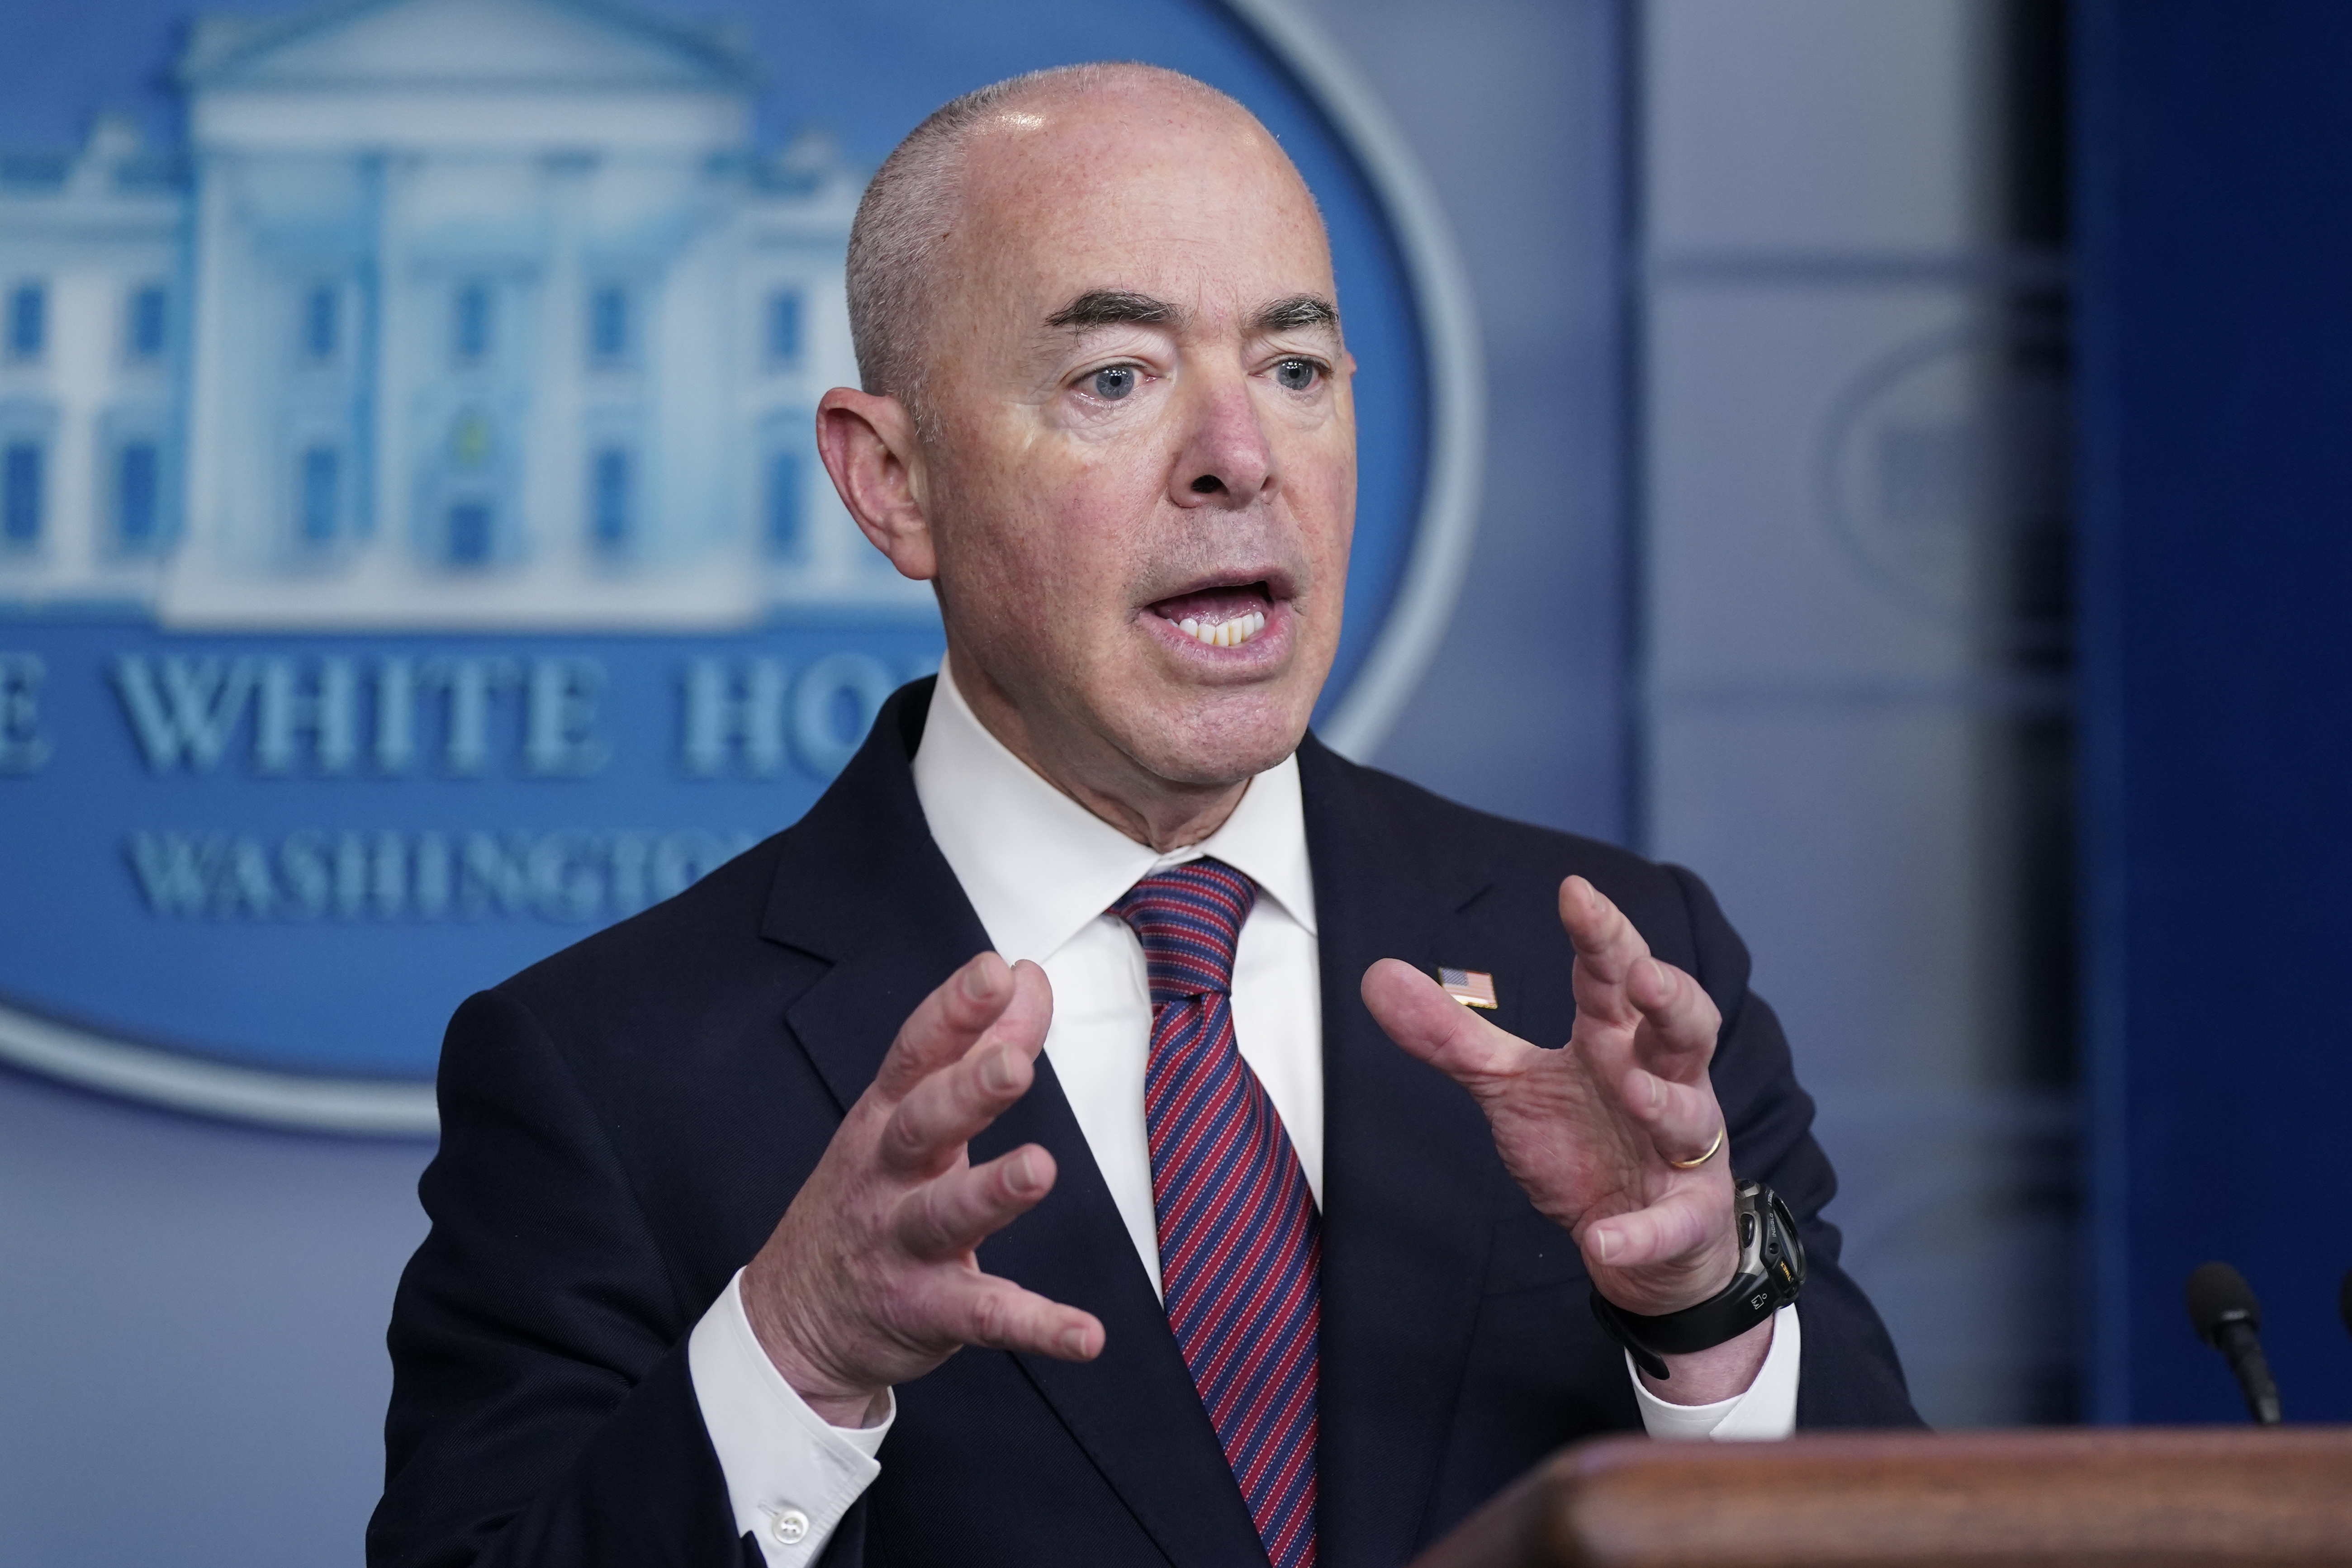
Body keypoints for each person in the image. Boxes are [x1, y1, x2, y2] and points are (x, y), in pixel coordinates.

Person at [369, 62, 1917, 1568]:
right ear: (892, 480)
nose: (1240, 458)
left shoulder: (1614, 970)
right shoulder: (609, 1067)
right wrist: (794, 1353)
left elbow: (1906, 1532)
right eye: (1116, 377)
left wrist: (1702, 1309)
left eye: (1296, 371)